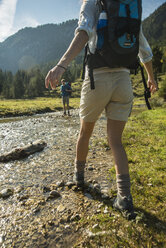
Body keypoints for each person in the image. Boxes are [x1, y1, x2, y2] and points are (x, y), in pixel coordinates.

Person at [45, 0, 158, 218]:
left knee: (85, 133)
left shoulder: (93, 2)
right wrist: (151, 77)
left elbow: (84, 31)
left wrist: (62, 64)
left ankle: (79, 178)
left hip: (98, 78)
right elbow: (144, 49)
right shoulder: (129, 9)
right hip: (124, 81)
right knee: (115, 140)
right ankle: (125, 199)